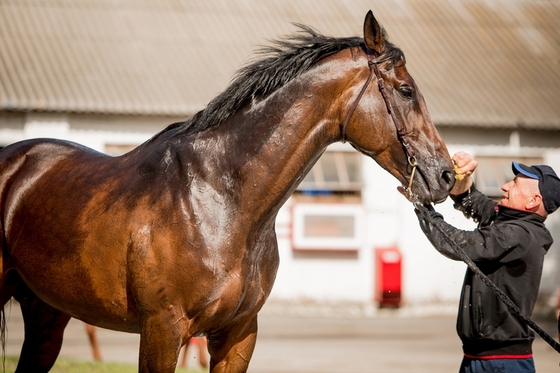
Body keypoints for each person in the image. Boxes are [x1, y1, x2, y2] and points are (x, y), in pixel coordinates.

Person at [413, 151, 560, 373]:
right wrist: (462, 177)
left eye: (515, 184)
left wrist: (423, 206)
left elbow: (460, 244)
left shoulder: (520, 235)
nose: (504, 186)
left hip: (502, 363)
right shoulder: (509, 221)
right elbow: (473, 202)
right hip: (479, 357)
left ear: (533, 201)